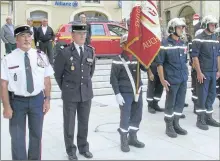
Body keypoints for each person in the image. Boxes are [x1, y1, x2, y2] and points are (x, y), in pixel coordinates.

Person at [0, 25, 54, 160]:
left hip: (37, 100)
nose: (27, 39)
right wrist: (6, 106)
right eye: (23, 36)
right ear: (16, 39)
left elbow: (47, 80)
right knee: (17, 137)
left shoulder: (41, 56)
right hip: (17, 102)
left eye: (29, 35)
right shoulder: (8, 59)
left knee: (36, 135)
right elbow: (3, 84)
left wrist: (47, 99)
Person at [54, 23, 95, 160]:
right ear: (73, 35)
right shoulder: (65, 52)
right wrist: (67, 88)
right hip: (70, 94)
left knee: (84, 122)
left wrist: (83, 86)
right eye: (80, 34)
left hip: (86, 94)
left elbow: (91, 72)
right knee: (69, 124)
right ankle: (71, 150)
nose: (83, 36)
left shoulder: (90, 51)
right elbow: (58, 74)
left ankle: (83, 147)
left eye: (85, 34)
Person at [110, 34, 146, 152]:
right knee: (125, 117)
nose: (132, 46)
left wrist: (148, 56)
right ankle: (124, 140)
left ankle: (133, 137)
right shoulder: (117, 59)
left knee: (137, 115)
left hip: (137, 91)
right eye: (129, 43)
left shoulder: (137, 57)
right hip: (125, 92)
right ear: (123, 45)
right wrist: (117, 94)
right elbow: (113, 78)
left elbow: (146, 68)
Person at [156, 18, 188, 138]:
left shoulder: (182, 43)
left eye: (183, 27)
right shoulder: (164, 44)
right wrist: (162, 80)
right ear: (172, 28)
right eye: (179, 27)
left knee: (180, 103)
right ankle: (169, 126)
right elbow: (160, 64)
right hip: (171, 80)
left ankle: (176, 124)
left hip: (182, 79)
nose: (182, 29)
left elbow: (185, 61)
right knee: (171, 103)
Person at [191, 15, 220, 130]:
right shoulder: (198, 38)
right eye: (212, 24)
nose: (214, 27)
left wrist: (219, 70)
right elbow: (195, 57)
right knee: (202, 96)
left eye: (215, 25)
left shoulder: (215, 38)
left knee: (212, 95)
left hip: (213, 72)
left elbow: (218, 55)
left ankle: (209, 116)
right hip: (203, 72)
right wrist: (198, 72)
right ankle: (200, 119)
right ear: (206, 25)